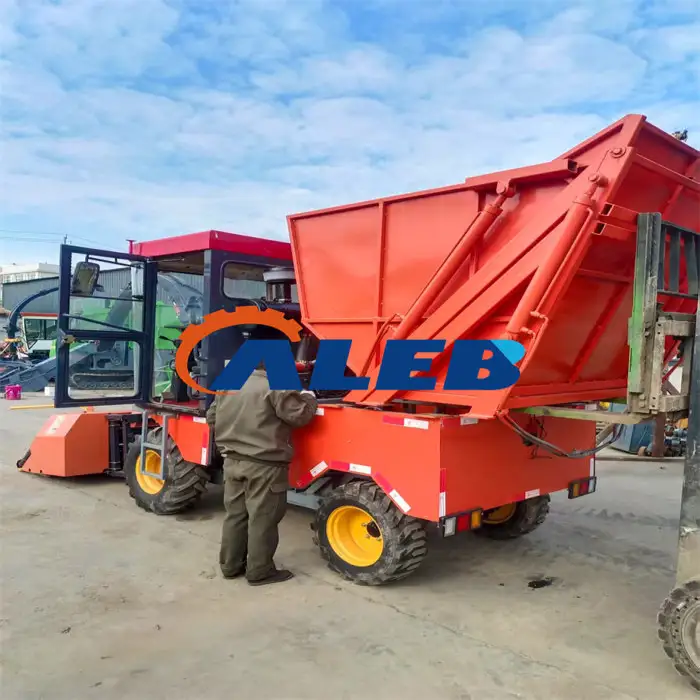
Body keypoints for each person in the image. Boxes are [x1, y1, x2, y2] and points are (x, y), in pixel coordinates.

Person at [206, 362, 318, 586]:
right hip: (265, 466)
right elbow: (301, 416)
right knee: (263, 519)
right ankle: (260, 571)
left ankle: (230, 566)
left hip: (232, 461)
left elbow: (211, 417)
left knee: (235, 515)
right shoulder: (276, 385)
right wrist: (309, 396)